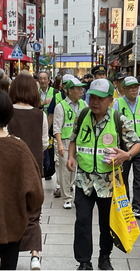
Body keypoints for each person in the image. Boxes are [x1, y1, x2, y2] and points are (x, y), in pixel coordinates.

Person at [66, 78, 140, 270]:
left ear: (110, 100)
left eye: (100, 98)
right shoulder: (82, 115)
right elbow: (73, 139)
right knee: (82, 221)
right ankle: (84, 261)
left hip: (108, 184)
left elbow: (138, 144)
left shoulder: (119, 119)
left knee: (106, 224)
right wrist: (70, 156)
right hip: (84, 181)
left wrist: (127, 154)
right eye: (92, 97)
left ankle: (104, 257)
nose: (95, 102)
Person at [7, 74, 48, 270]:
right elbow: (45, 142)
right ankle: (35, 255)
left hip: (10, 170)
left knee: (11, 211)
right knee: (33, 213)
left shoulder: (7, 113)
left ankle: (6, 251)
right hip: (34, 169)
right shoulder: (39, 114)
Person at [113, 76, 140, 217]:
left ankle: (138, 207)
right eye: (130, 87)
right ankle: (125, 205)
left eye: (136, 87)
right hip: (124, 145)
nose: (134, 90)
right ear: (124, 89)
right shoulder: (118, 103)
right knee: (123, 176)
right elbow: (115, 123)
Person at [53, 78, 87, 209]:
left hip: (81, 143)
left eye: (81, 88)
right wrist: (60, 144)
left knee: (75, 171)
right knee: (65, 171)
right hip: (66, 143)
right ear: (70, 90)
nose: (81, 91)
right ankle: (67, 197)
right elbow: (57, 127)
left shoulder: (84, 104)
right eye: (78, 89)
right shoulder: (61, 106)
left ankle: (70, 188)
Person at [48, 73, 75, 198]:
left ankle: (69, 184)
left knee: (72, 163)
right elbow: (51, 115)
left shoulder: (79, 100)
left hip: (74, 139)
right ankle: (59, 185)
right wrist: (48, 132)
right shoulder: (57, 97)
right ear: (62, 85)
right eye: (65, 84)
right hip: (60, 137)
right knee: (59, 162)